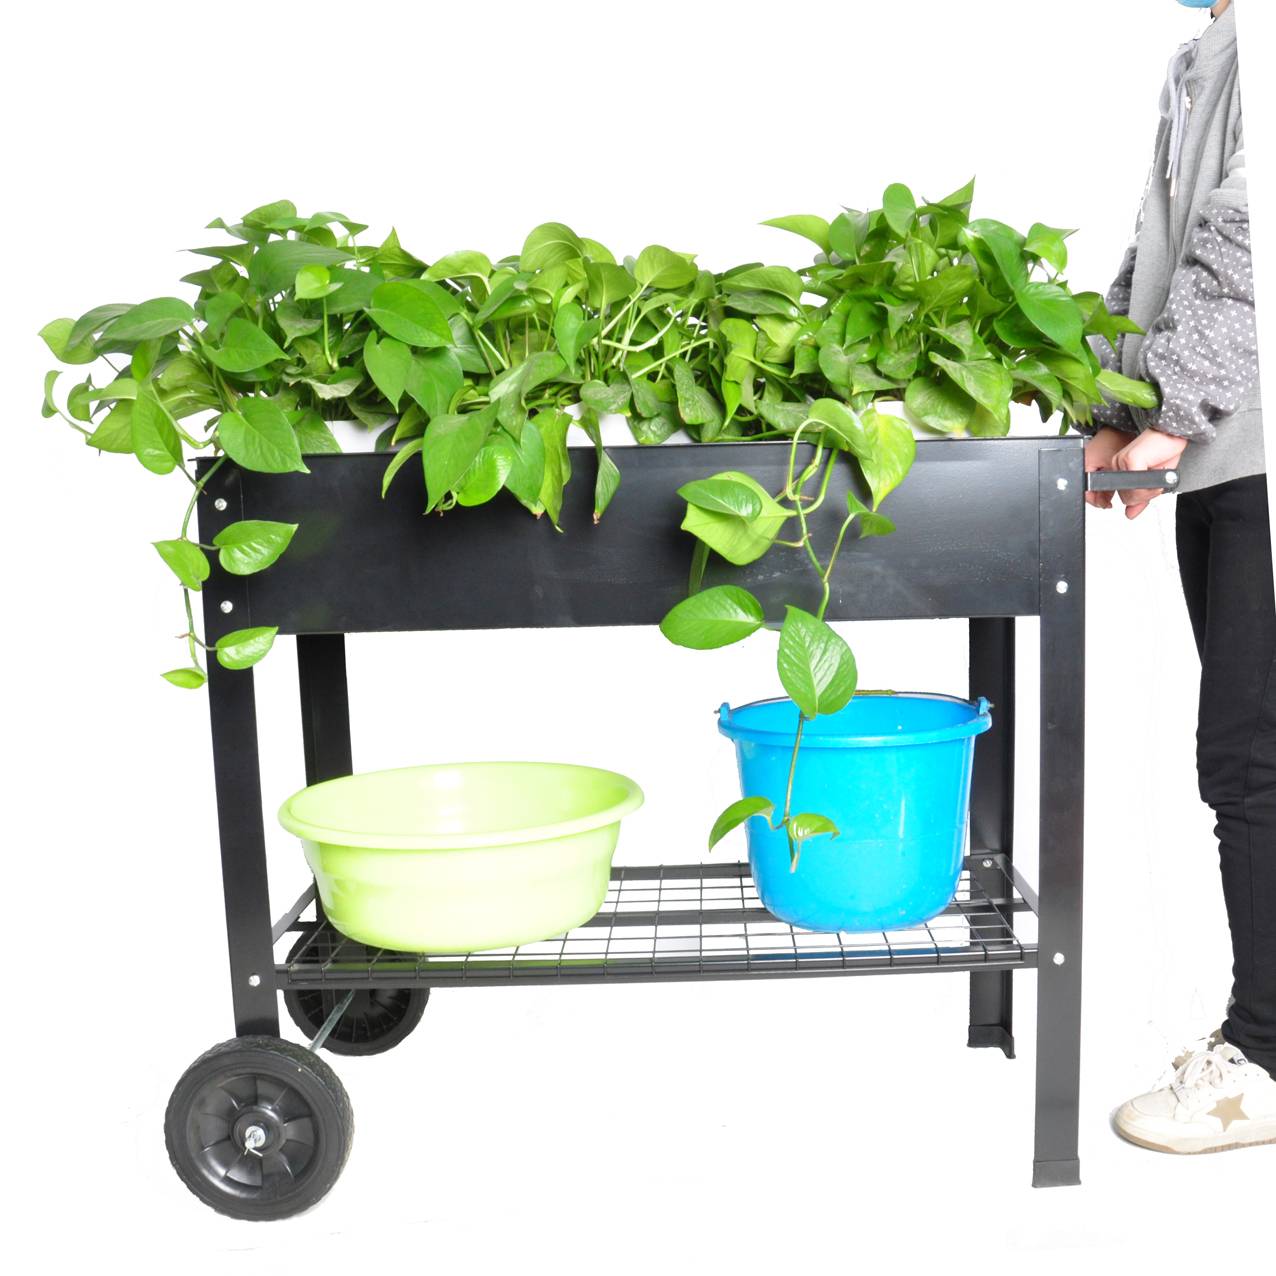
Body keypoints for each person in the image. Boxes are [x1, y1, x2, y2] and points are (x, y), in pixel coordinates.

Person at [1081, 0, 1275, 1154]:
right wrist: (1117, 407)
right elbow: (1153, 256)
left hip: (1253, 451)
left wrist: (1168, 413)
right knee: (1248, 755)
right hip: (1222, 451)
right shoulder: (1206, 50)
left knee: (1251, 755)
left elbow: (1247, 238)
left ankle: (1265, 1058)